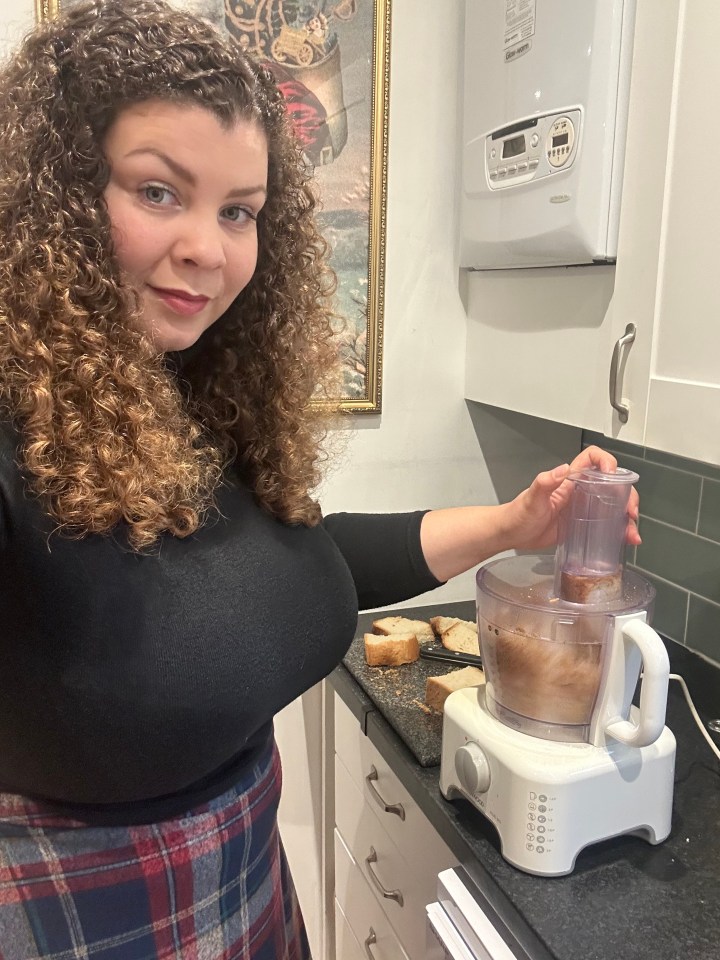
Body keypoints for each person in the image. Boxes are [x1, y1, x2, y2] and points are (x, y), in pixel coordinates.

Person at [0, 1, 640, 957]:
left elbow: (296, 556)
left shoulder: (179, 389)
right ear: (55, 193)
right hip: (83, 915)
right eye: (158, 192)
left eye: (238, 211)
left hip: (245, 883)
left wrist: (514, 523)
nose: (208, 251)